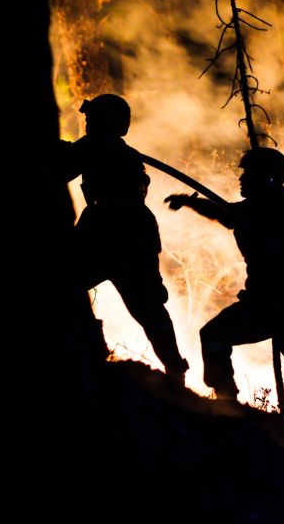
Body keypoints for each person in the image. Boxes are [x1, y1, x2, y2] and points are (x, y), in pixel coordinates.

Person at [165, 148, 284, 436]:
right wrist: (189, 203)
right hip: (261, 303)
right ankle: (227, 403)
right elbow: (223, 212)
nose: (242, 180)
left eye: (249, 175)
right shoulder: (248, 211)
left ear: (269, 179)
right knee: (213, 336)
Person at [59, 94, 189, 382]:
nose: (87, 122)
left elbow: (61, 167)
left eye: (91, 117)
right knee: (149, 306)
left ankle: (85, 350)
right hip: (133, 229)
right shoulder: (122, 152)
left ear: (104, 121)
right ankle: (175, 368)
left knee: (61, 286)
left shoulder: (96, 146)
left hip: (107, 230)